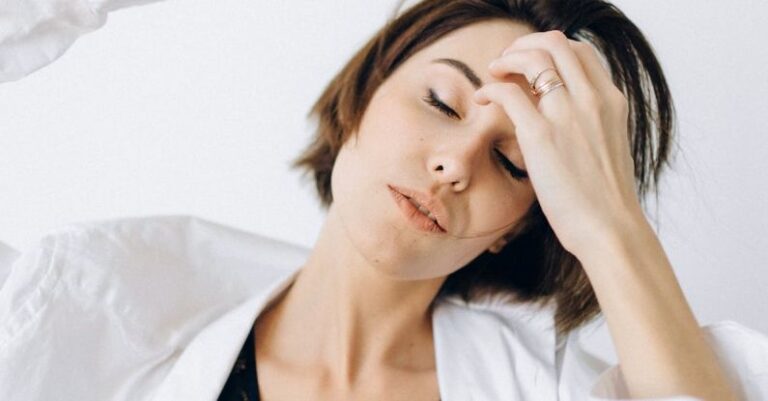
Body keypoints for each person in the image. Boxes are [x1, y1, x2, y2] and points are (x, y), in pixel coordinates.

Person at [0, 0, 766, 400]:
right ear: (360, 96)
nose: (455, 161)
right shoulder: (98, 304)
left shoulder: (543, 389)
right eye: (441, 100)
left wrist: (610, 223)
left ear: (520, 227)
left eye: (514, 162)